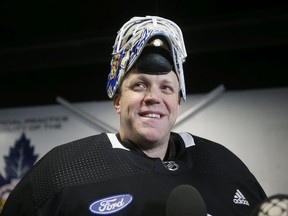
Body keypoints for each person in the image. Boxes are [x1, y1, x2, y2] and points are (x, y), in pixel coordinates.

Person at [1, 15, 267, 216]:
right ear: (117, 100)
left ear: (178, 103)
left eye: (166, 87)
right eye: (139, 85)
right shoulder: (62, 171)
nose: (154, 97)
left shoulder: (223, 165)